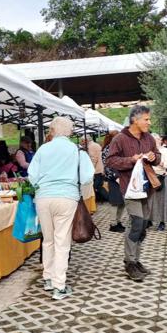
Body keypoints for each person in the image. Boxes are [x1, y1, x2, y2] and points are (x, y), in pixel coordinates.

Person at [28, 117, 94, 300]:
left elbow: (31, 175)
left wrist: (42, 186)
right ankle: (59, 285)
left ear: (52, 131)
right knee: (62, 242)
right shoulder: (76, 150)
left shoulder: (43, 149)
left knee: (47, 240)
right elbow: (88, 176)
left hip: (43, 198)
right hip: (67, 197)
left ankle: (48, 278)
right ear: (70, 132)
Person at [106, 105, 161, 282]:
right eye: (146, 119)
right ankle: (129, 262)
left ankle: (136, 261)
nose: (149, 122)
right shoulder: (120, 139)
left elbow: (158, 156)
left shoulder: (149, 138)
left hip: (147, 188)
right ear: (134, 120)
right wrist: (131, 160)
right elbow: (111, 161)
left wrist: (154, 158)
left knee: (143, 225)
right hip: (129, 189)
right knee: (137, 223)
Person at [101, 130, 125, 232]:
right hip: (114, 179)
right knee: (115, 202)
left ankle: (118, 221)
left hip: (121, 177)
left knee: (122, 202)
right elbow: (107, 166)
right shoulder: (107, 149)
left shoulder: (118, 148)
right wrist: (115, 177)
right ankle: (113, 224)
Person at [149, 134, 167, 231]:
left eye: (156, 140)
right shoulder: (148, 151)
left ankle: (162, 222)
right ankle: (149, 220)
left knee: (162, 200)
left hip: (162, 177)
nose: (154, 142)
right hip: (150, 177)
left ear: (160, 141)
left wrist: (157, 162)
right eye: (152, 140)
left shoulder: (165, 150)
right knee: (150, 200)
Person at [81, 135, 106, 202]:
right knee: (99, 186)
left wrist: (91, 169)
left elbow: (93, 159)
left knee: (96, 186)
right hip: (100, 168)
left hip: (97, 169)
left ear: (86, 140)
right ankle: (104, 198)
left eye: (82, 140)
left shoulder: (91, 146)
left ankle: (105, 198)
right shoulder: (95, 144)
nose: (82, 142)